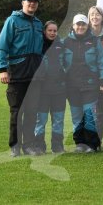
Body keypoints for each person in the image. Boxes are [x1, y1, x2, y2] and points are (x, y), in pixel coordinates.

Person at [0, 0, 44, 157]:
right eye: (29, 1)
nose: (32, 4)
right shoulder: (12, 21)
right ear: (23, 3)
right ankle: (15, 146)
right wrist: (2, 69)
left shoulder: (38, 24)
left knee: (32, 112)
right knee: (17, 112)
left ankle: (29, 146)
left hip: (35, 75)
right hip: (17, 73)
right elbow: (2, 46)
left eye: (35, 2)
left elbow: (42, 50)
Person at [63, 14, 103, 153]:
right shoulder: (66, 42)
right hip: (72, 86)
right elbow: (61, 62)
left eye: (83, 24)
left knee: (90, 115)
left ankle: (92, 144)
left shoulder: (95, 41)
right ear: (73, 25)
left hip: (90, 85)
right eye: (78, 24)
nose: (80, 27)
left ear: (87, 26)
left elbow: (102, 62)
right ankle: (80, 143)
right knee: (77, 116)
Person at [34, 21, 67, 154]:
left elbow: (67, 63)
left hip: (59, 89)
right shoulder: (38, 45)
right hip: (42, 89)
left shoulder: (61, 44)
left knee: (58, 119)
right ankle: (39, 145)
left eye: (55, 31)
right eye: (50, 30)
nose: (53, 33)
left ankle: (57, 145)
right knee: (40, 119)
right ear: (45, 31)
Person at [88, 6, 103, 146]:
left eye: (97, 15)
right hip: (88, 80)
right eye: (92, 15)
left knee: (102, 110)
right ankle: (87, 139)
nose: (95, 17)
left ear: (102, 17)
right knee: (89, 111)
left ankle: (98, 140)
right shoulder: (84, 33)